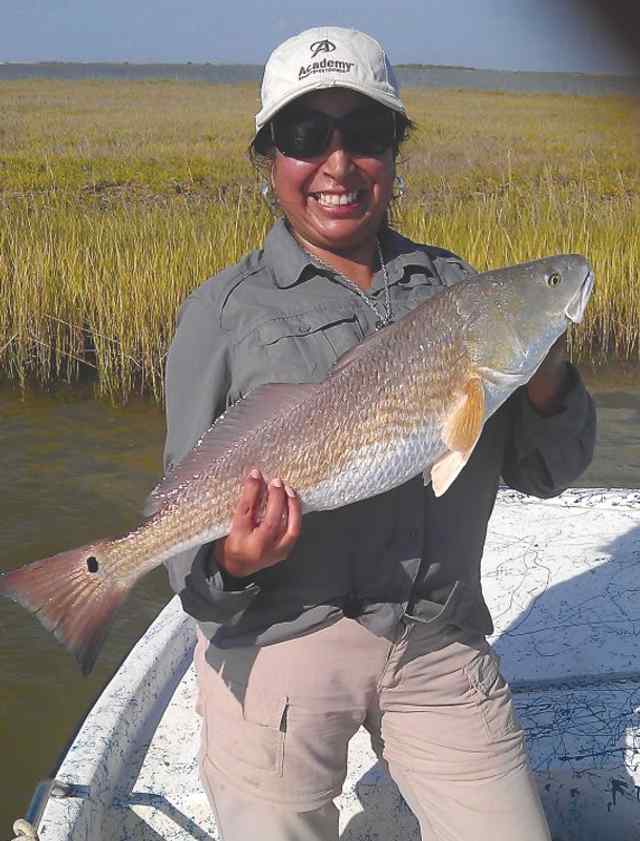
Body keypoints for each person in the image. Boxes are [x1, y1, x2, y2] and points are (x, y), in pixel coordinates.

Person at [163, 26, 596, 841]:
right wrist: (230, 562)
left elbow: (547, 472)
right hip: (277, 644)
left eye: (365, 135)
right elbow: (188, 556)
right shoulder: (220, 316)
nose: (337, 164)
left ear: (396, 153)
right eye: (303, 136)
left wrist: (546, 372)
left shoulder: (465, 293)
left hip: (439, 641)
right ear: (268, 158)